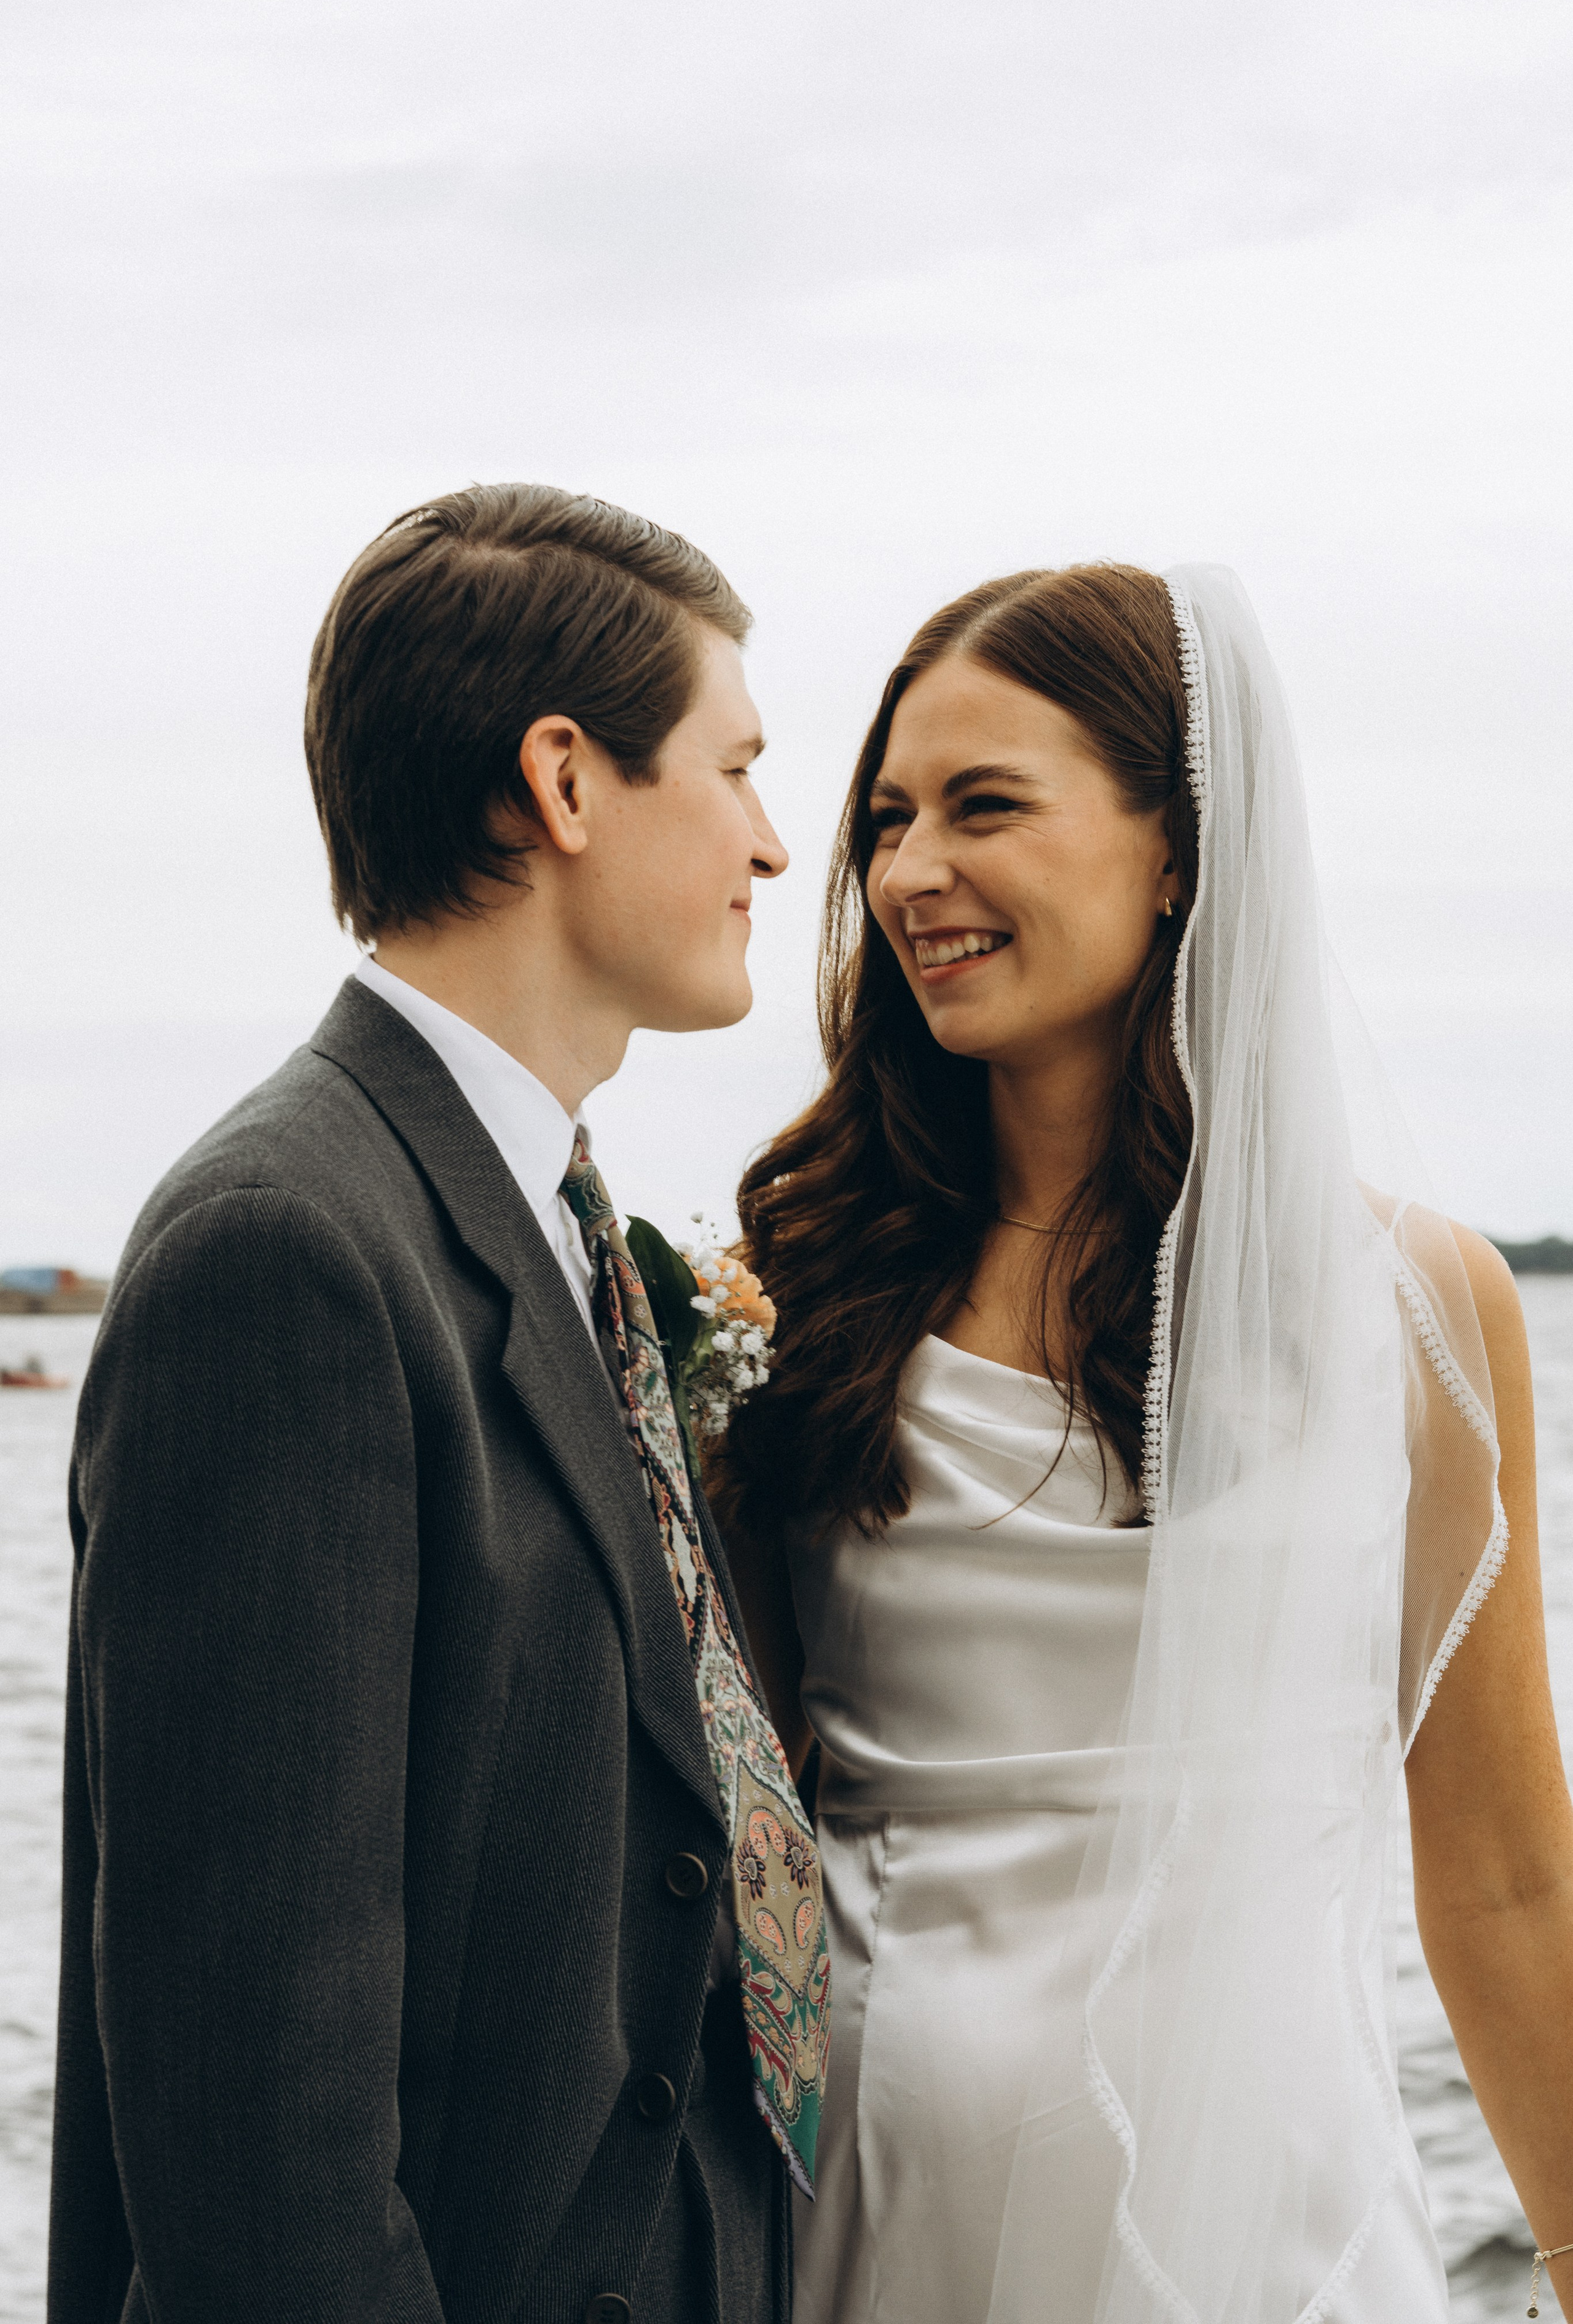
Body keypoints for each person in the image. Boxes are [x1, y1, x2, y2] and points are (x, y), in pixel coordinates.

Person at [711, 563, 1573, 2322]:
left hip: (1274, 2225)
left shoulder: (1416, 1308)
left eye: (986, 806)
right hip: (884, 2219)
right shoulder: (796, 1299)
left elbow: (1497, 1876)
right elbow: (744, 1828)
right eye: (888, 817)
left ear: (1179, 846)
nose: (908, 874)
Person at [48, 483, 828, 2324]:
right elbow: (263, 2129)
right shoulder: (288, 1248)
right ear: (564, 782)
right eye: (735, 767)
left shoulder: (540, 1221)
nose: (777, 846)